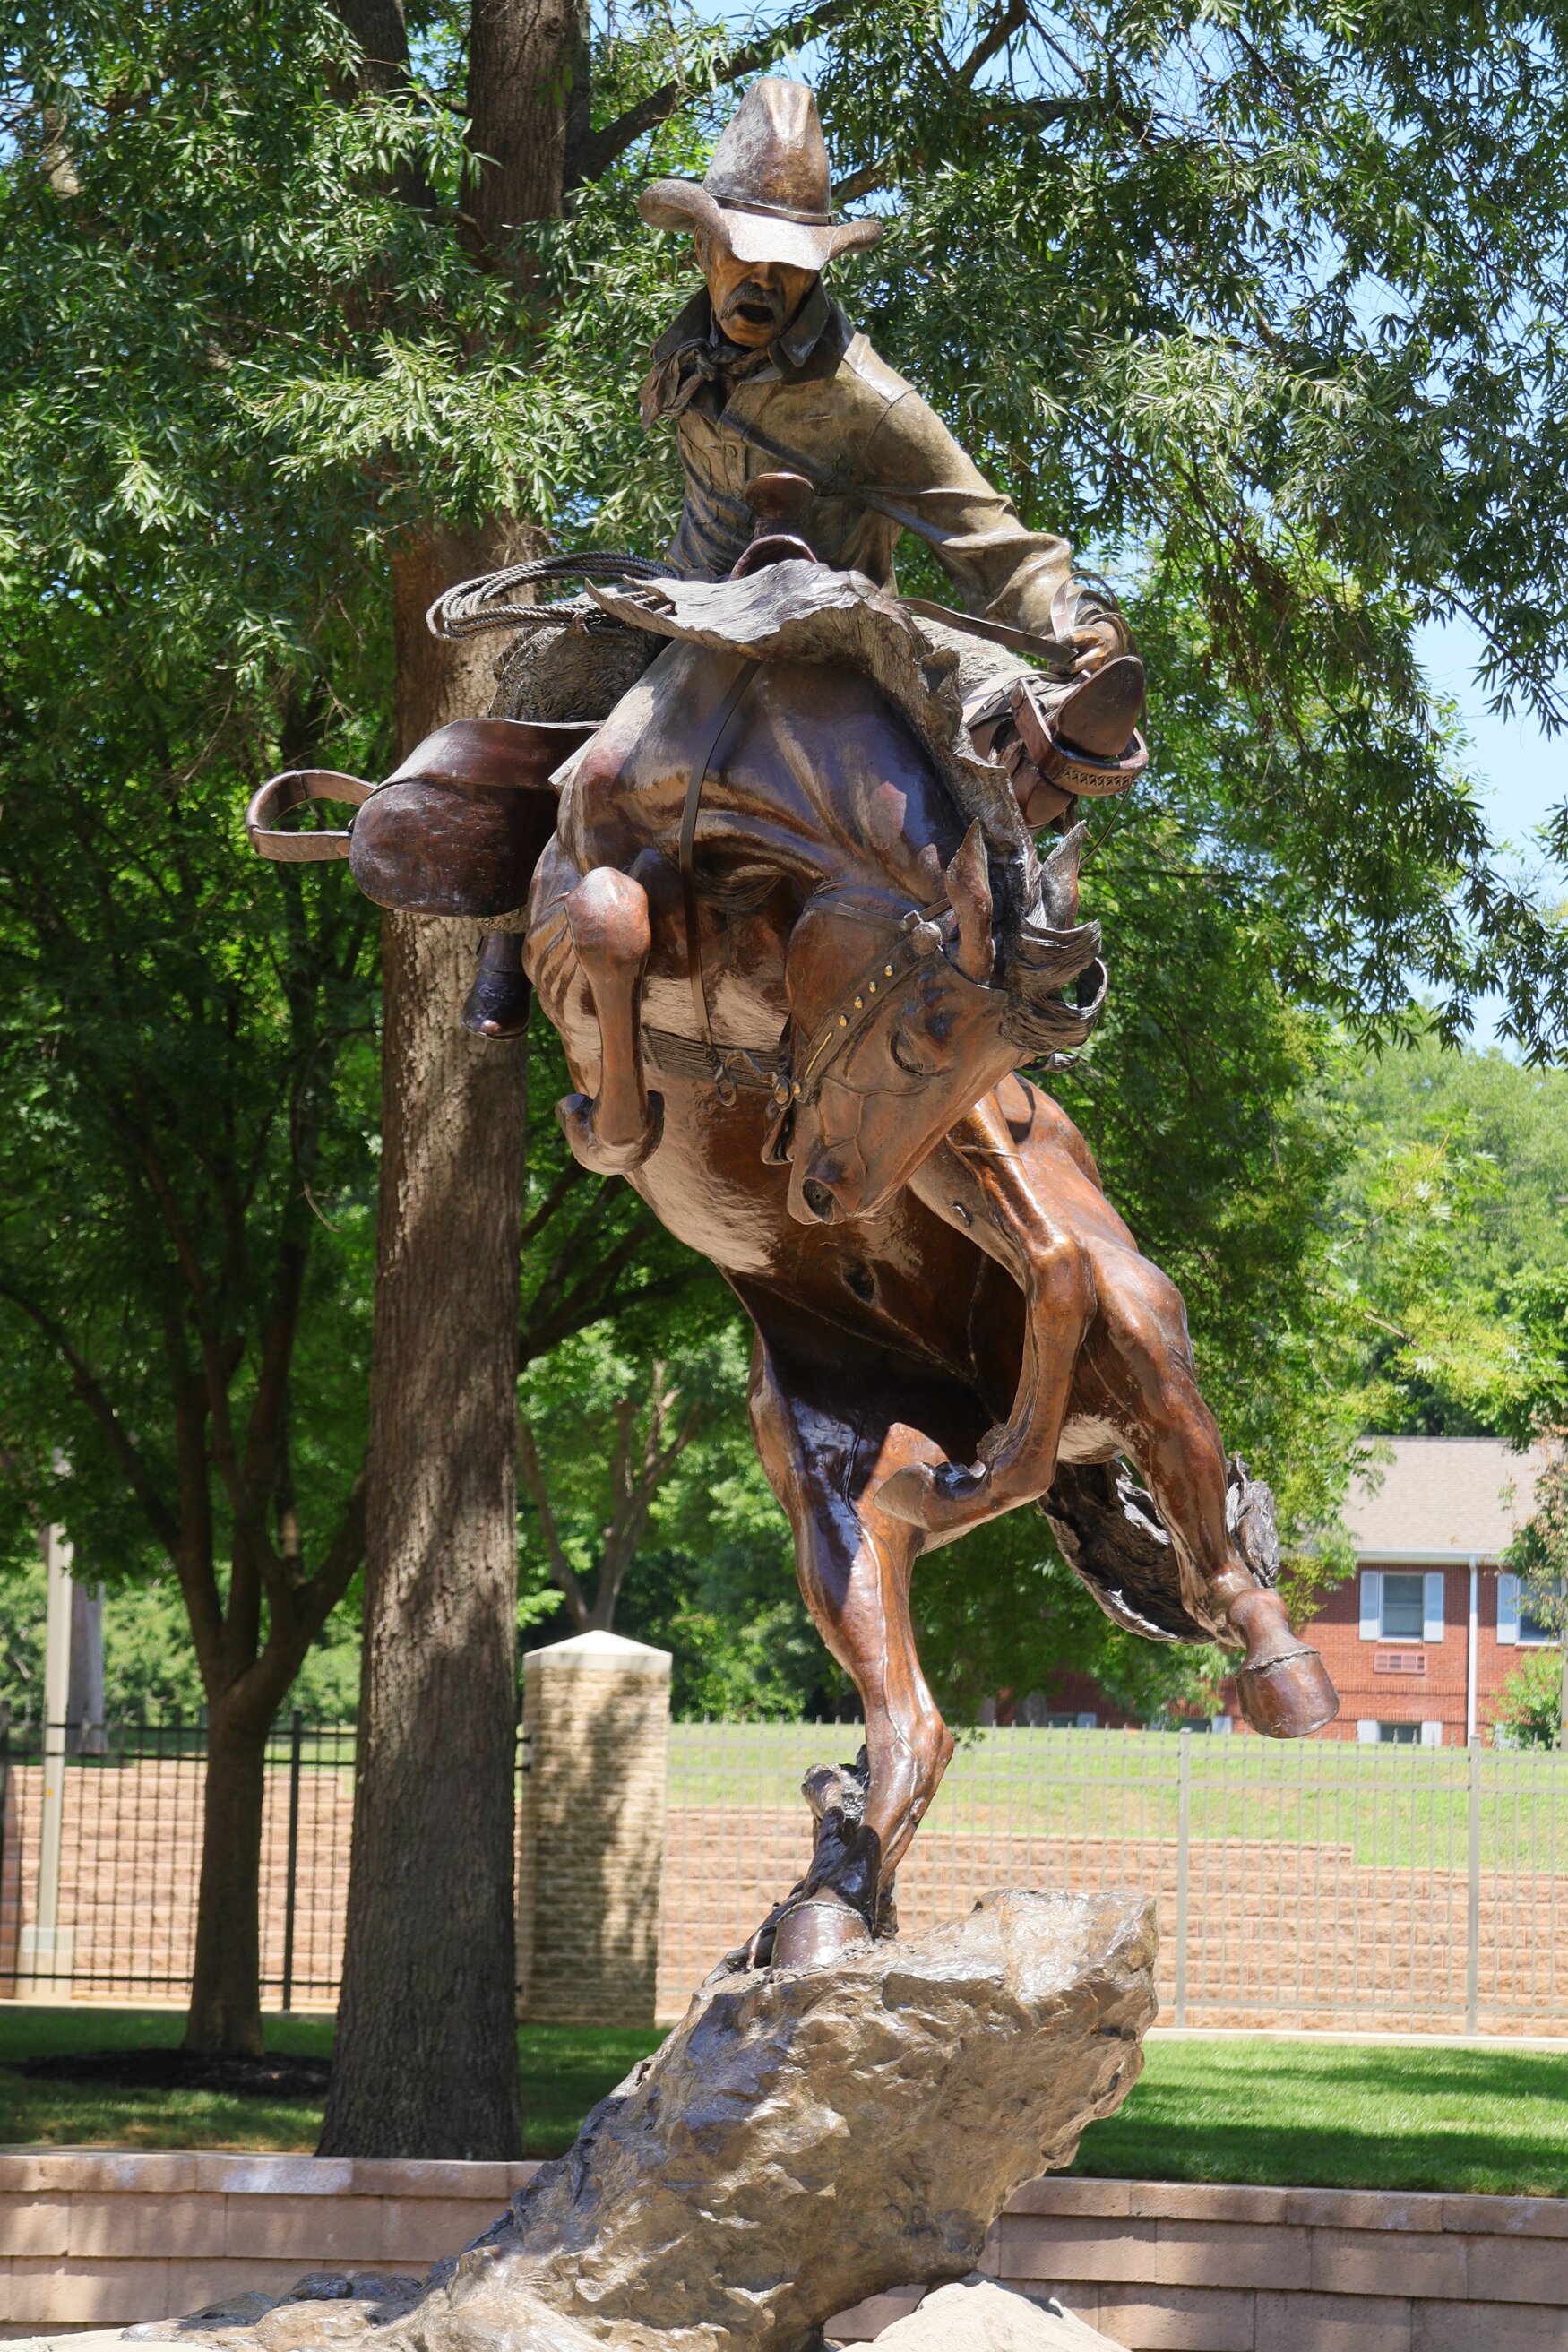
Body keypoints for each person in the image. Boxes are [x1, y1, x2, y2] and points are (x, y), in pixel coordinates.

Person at [634, 76, 1147, 828]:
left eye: (789, 263)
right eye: (745, 254)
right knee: (528, 718)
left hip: (828, 647)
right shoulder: (683, 354)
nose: (764, 281)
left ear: (818, 267)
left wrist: (1084, 628)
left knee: (985, 725)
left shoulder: (868, 401)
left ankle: (1016, 866)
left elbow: (996, 547)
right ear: (704, 249)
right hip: (680, 617)